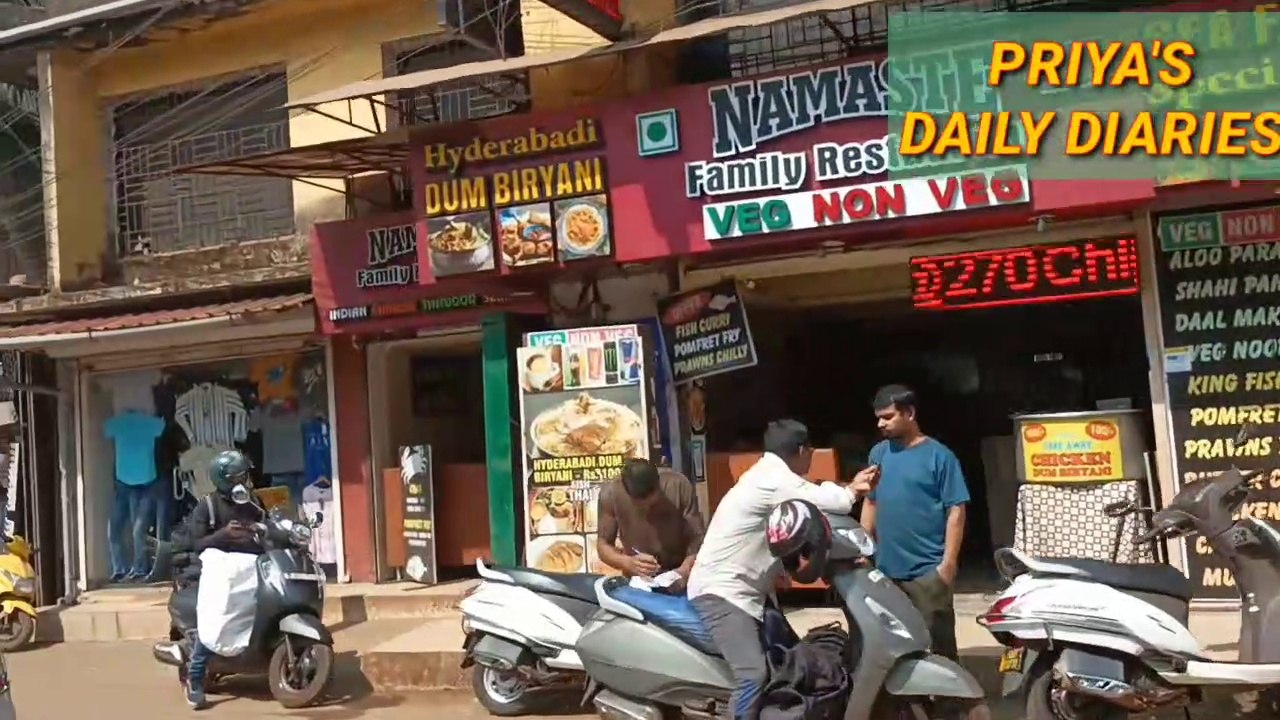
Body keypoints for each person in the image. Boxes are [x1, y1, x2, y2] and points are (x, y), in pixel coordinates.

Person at [687, 419, 878, 720]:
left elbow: (811, 500)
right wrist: (853, 490)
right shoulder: (773, 479)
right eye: (810, 451)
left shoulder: (771, 475)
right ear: (802, 450)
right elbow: (829, 502)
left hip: (748, 591)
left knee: (794, 659)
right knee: (752, 672)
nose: (811, 456)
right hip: (722, 593)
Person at [860, 384, 969, 662]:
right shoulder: (878, 454)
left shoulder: (939, 457)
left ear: (909, 413)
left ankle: (949, 703)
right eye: (878, 417)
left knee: (940, 649)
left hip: (927, 572)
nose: (880, 423)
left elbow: (956, 510)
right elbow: (870, 501)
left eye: (888, 417)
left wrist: (947, 565)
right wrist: (862, 548)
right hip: (887, 571)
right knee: (897, 648)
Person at [180, 449, 266, 710]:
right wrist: (224, 535)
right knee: (214, 625)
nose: (245, 480)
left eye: (245, 475)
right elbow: (196, 543)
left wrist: (259, 529)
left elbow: (267, 523)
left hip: (251, 569)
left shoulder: (251, 501)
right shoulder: (207, 506)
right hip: (220, 574)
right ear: (225, 479)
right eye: (240, 476)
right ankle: (195, 680)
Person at [596, 458, 704, 591]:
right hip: (639, 582)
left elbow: (698, 537)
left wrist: (685, 570)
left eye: (653, 503)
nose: (647, 509)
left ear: (659, 485)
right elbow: (603, 544)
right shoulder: (611, 494)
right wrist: (628, 562)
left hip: (680, 575)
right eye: (639, 505)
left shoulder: (678, 486)